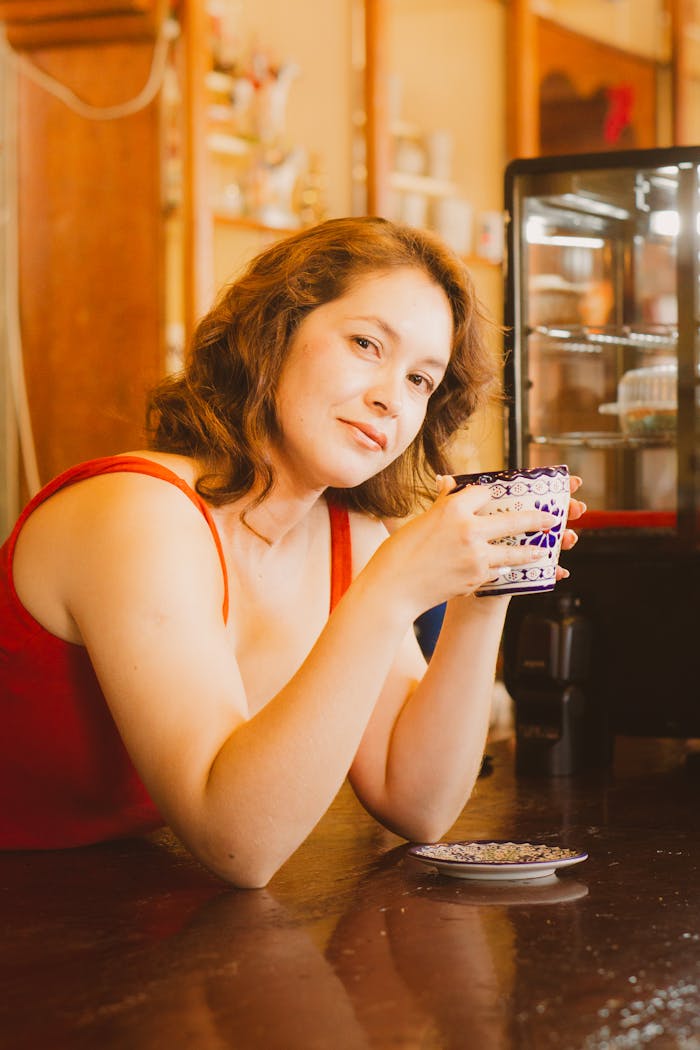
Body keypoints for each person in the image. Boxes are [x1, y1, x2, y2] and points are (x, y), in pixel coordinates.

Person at [0, 216, 584, 887]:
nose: (390, 398)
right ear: (273, 333)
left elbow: (417, 802)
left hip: (109, 903)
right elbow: (238, 843)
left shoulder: (346, 535)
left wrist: (484, 592)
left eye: (422, 380)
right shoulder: (137, 512)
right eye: (366, 344)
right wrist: (389, 591)